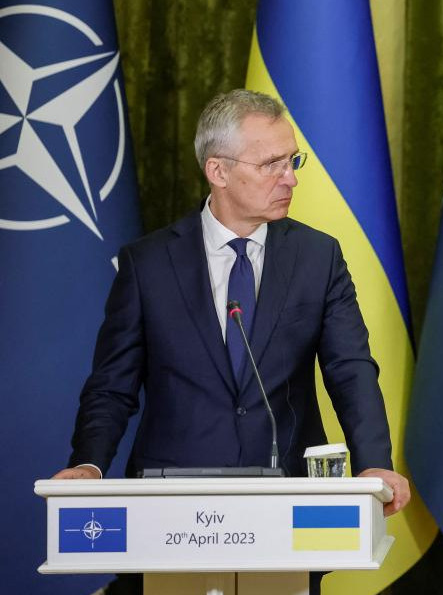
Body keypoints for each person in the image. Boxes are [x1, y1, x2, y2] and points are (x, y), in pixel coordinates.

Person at [52, 89, 410, 517]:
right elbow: (113, 384)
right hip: (172, 506)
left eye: (292, 161)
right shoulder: (147, 264)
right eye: (270, 165)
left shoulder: (318, 257)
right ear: (218, 171)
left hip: (291, 499)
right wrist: (89, 464)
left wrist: (374, 463)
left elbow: (349, 368)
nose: (290, 178)